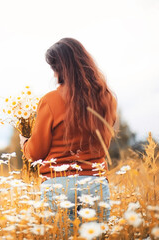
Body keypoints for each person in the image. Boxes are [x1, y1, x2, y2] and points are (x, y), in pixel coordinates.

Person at [19, 38, 117, 222]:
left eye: (53, 68)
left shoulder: (50, 100)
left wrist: (25, 143)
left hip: (58, 185)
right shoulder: (107, 98)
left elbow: (36, 153)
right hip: (95, 184)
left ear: (59, 69)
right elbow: (104, 144)